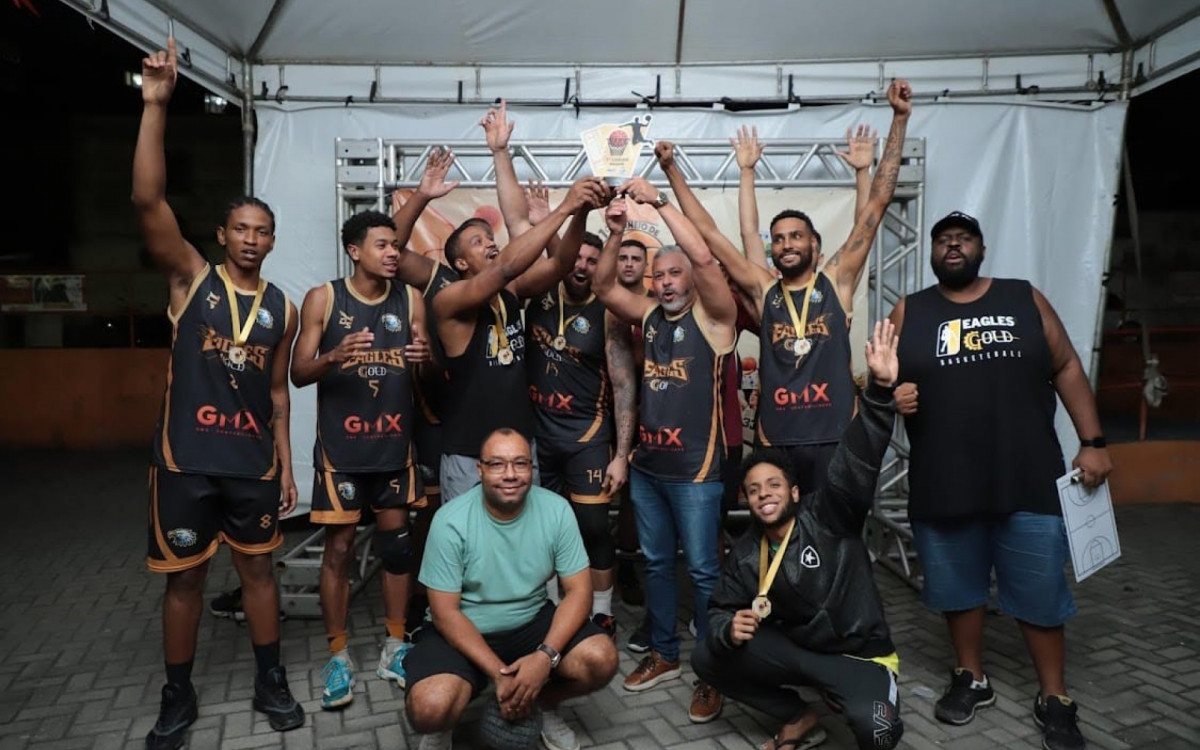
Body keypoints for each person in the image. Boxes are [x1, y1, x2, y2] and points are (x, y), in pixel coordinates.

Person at [134, 38, 304, 749]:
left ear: (271, 241)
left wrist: (288, 464)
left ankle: (270, 678)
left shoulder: (282, 308)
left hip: (252, 464)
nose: (253, 239)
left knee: (259, 572)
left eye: (263, 231)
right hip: (185, 461)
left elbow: (276, 393)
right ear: (221, 234)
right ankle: (178, 695)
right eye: (242, 228)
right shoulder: (191, 282)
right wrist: (156, 105)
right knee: (184, 583)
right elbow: (148, 199)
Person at [889, 211, 1113, 750]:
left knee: (1039, 590)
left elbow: (1066, 367)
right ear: (933, 253)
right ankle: (972, 678)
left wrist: (1094, 441)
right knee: (958, 591)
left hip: (1027, 474)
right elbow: (878, 377)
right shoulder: (910, 310)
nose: (953, 246)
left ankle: (1054, 696)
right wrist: (888, 394)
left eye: (963, 238)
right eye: (943, 240)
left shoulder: (1022, 297)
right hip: (944, 480)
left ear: (982, 249)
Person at [655, 79, 912, 493]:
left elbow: (878, 204)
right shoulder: (763, 291)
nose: (786, 244)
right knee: (782, 539)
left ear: (815, 243)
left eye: (796, 236)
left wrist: (899, 120)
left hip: (835, 438)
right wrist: (671, 170)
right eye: (779, 239)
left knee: (836, 537)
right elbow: (708, 232)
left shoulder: (836, 280)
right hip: (778, 443)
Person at [692, 320, 905, 750]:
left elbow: (857, 458)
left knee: (879, 732)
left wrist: (880, 394)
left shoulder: (829, 514)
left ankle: (856, 694)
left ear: (793, 491)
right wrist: (727, 628)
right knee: (705, 655)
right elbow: (719, 607)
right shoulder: (748, 550)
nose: (763, 495)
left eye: (772, 485)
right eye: (753, 490)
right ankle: (799, 715)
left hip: (857, 656)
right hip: (801, 652)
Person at [593, 182, 737, 723]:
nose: (667, 282)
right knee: (655, 563)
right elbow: (606, 285)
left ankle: (713, 670)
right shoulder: (649, 317)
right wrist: (614, 234)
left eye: (675, 274)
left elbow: (701, 252)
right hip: (649, 469)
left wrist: (655, 205)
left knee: (702, 572)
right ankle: (664, 654)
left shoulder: (716, 320)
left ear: (692, 281)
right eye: (660, 276)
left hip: (697, 473)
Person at [289, 210, 434, 708]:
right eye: (381, 245)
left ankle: (395, 644)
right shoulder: (324, 299)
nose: (393, 252)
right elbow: (298, 372)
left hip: (394, 450)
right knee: (339, 552)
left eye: (395, 245)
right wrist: (333, 356)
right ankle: (338, 655)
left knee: (397, 550)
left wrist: (425, 358)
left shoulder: (411, 298)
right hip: (342, 455)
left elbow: (428, 360)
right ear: (355, 251)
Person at [434, 102, 610, 500]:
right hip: (468, 451)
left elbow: (562, 261)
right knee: (470, 551)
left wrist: (579, 212)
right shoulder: (450, 299)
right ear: (460, 262)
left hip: (519, 446)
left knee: (521, 547)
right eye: (478, 242)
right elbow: (508, 266)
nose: (490, 244)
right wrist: (565, 206)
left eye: (488, 237)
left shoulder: (510, 293)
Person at [404, 429, 619, 750]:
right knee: (429, 708)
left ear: (532, 469)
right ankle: (444, 726)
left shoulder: (557, 510)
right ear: (480, 469)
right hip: (464, 628)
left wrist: (544, 658)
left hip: (531, 622)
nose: (510, 475)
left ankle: (541, 703)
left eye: (520, 464)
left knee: (601, 658)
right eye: (497, 464)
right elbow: (444, 612)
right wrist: (499, 674)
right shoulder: (450, 521)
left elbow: (578, 592)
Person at [523, 229, 638, 637]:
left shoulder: (608, 311)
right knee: (544, 529)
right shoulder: (536, 296)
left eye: (593, 260)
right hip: (539, 437)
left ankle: (602, 611)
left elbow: (624, 384)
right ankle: (555, 610)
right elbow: (520, 226)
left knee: (591, 526)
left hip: (587, 437)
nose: (583, 266)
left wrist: (621, 453)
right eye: (579, 257)